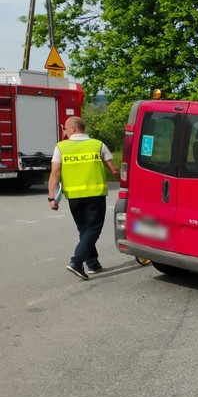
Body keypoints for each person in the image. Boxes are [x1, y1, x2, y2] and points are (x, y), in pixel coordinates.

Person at [48, 117, 119, 280]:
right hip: (95, 195)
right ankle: (76, 262)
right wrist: (124, 183)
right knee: (93, 230)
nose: (64, 132)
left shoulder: (61, 147)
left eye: (65, 128)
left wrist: (52, 198)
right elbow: (114, 170)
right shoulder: (98, 145)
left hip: (74, 197)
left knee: (85, 230)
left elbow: (54, 174)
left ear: (73, 128)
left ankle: (93, 264)